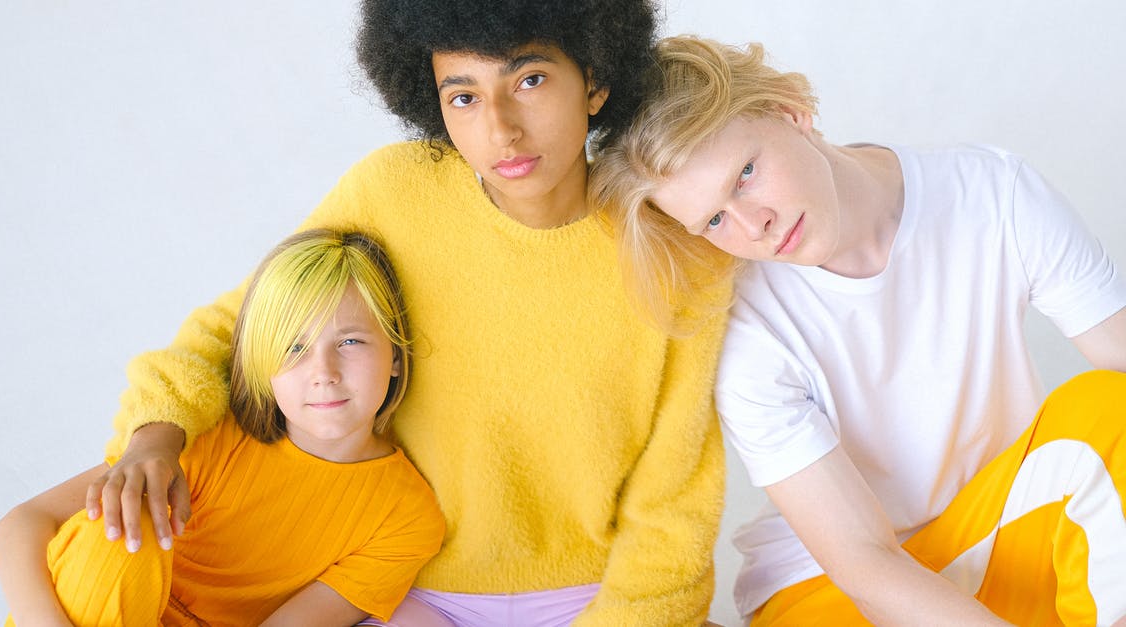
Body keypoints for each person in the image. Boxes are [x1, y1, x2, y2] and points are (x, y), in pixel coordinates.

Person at [82, 2, 733, 625]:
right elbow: (246, 327)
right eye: (464, 96)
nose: (500, 129)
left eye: (529, 79)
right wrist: (154, 436)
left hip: (597, 593)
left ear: (595, 79)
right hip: (416, 592)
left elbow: (675, 499)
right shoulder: (397, 193)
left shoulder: (673, 247)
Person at [591, 35, 1126, 625]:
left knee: (1110, 408)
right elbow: (865, 565)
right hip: (835, 590)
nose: (753, 225)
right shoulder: (744, 330)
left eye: (744, 174)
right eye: (714, 219)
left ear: (790, 113)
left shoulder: (994, 194)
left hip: (1000, 531)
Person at [0, 229, 446, 625]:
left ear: (395, 357)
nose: (323, 371)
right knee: (124, 525)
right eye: (293, 348)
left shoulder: (406, 517)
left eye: (350, 341)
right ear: (259, 365)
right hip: (80, 611)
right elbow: (22, 523)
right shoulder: (206, 435)